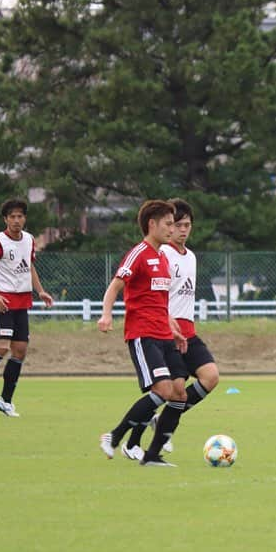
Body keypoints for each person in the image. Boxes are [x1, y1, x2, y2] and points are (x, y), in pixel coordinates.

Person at [121, 198, 220, 459]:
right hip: (166, 332)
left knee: (210, 377)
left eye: (188, 225)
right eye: (177, 225)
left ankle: (157, 422)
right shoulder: (162, 253)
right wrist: (167, 324)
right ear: (168, 227)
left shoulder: (192, 258)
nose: (183, 230)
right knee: (167, 391)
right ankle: (134, 443)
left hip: (188, 330)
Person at [97, 200, 189, 467]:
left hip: (163, 334)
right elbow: (115, 286)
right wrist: (106, 314)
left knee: (179, 393)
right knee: (162, 390)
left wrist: (174, 330)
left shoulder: (162, 257)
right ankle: (114, 436)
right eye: (168, 224)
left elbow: (160, 302)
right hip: (142, 334)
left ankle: (150, 454)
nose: (172, 229)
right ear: (152, 224)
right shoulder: (139, 253)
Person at [0, 198, 53, 417]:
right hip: (2, 303)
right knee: (1, 348)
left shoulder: (28, 240)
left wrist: (41, 291)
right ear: (6, 219)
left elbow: (29, 267)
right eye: (12, 217)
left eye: (20, 216)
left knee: (20, 351)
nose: (17, 220)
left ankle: (5, 400)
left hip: (22, 302)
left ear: (24, 218)